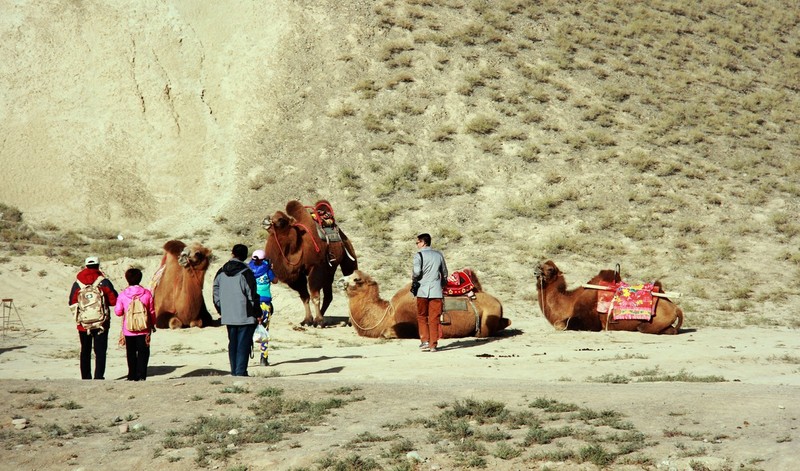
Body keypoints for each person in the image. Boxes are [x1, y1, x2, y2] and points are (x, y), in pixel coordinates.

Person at [213, 244, 260, 376]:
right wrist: (257, 313)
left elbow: (215, 293)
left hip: (228, 315)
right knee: (243, 345)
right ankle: (240, 372)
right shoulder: (246, 272)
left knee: (233, 344)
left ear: (232, 253)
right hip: (245, 315)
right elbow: (252, 295)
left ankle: (234, 371)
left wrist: (222, 309)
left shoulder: (221, 272)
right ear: (245, 256)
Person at [68, 256, 118, 380]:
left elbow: (71, 302)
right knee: (100, 351)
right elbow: (114, 301)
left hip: (83, 324)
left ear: (85, 266)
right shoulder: (103, 281)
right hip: (102, 323)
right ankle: (99, 377)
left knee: (85, 351)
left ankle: (85, 377)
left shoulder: (77, 283)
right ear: (98, 265)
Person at [114, 268, 156, 381]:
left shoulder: (123, 294)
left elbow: (118, 312)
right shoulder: (147, 293)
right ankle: (142, 375)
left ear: (127, 279)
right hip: (144, 327)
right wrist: (153, 323)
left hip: (129, 329)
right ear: (140, 278)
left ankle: (132, 375)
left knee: (131, 352)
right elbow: (151, 311)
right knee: (143, 352)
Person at [412, 233, 448, 352]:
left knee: (422, 316)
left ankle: (425, 341)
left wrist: (414, 278)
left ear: (423, 242)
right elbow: (445, 273)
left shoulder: (418, 255)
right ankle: (433, 345)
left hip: (422, 291)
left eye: (417, 242)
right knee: (434, 318)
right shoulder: (439, 255)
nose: (417, 245)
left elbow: (416, 273)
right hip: (436, 292)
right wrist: (441, 285)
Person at [248, 249, 277, 366]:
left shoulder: (248, 269)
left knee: (247, 329)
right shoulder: (267, 270)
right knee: (264, 330)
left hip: (250, 302)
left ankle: (245, 355)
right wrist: (271, 269)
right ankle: (263, 358)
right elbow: (275, 281)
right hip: (264, 302)